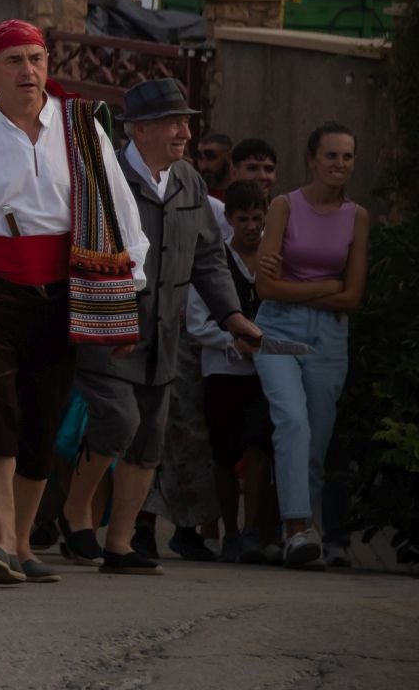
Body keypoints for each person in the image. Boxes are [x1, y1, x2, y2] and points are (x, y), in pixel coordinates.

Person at [0, 19, 149, 586]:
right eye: (13, 60)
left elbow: (118, 212)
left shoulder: (81, 129)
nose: (28, 71)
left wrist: (125, 294)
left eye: (36, 59)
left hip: (61, 291)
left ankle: (20, 541)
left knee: (43, 414)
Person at [59, 79, 259, 576]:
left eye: (186, 121)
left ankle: (121, 545)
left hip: (164, 334)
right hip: (111, 327)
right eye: (174, 122)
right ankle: (73, 510)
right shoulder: (103, 176)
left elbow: (209, 257)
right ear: (139, 129)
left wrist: (232, 316)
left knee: (149, 438)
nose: (185, 132)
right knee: (117, 420)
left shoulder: (188, 180)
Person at [253, 122, 367, 570]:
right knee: (292, 420)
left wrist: (297, 285)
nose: (340, 164)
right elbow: (265, 287)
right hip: (279, 329)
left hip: (330, 336)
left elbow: (353, 297)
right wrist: (324, 285)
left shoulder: (357, 216)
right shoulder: (284, 206)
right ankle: (296, 529)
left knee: (316, 440)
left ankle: (304, 536)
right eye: (331, 156)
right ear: (311, 159)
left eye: (348, 157)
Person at [190, 179, 280, 564]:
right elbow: (197, 323)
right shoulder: (213, 262)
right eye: (243, 218)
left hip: (265, 373)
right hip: (222, 372)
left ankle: (251, 532)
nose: (251, 226)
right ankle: (228, 531)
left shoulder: (273, 261)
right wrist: (233, 342)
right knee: (223, 455)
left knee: (258, 447)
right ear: (228, 219)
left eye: (258, 218)